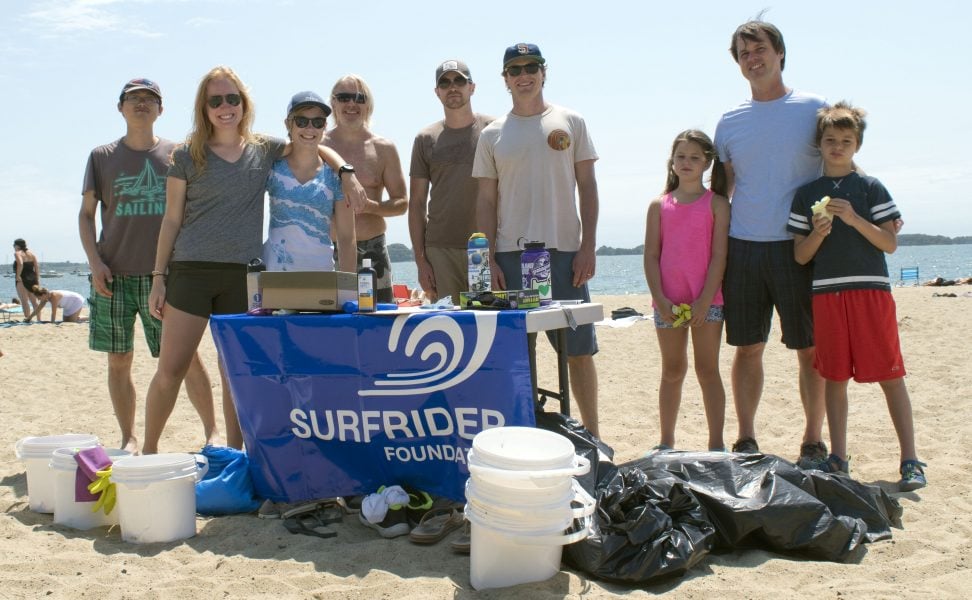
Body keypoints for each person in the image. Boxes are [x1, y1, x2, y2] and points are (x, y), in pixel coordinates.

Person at [143, 66, 364, 454]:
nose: (225, 107)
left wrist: (344, 170)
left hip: (244, 278)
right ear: (204, 107)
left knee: (235, 376)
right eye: (216, 100)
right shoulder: (186, 154)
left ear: (244, 105)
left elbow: (310, 144)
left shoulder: (262, 149)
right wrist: (158, 276)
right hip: (191, 272)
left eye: (232, 99)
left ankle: (236, 457)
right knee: (171, 370)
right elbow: (171, 219)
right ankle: (146, 453)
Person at [789, 102, 926, 490]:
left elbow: (889, 243)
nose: (837, 147)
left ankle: (911, 460)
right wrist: (818, 231)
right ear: (820, 145)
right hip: (827, 294)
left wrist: (852, 218)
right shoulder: (807, 194)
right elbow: (800, 256)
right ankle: (838, 457)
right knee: (834, 376)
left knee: (890, 374)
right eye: (830, 140)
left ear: (857, 146)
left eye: (846, 141)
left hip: (871, 291)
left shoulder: (870, 187)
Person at [80, 78, 219, 453]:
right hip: (114, 274)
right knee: (119, 359)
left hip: (169, 276)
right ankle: (128, 437)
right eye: (133, 98)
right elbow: (86, 215)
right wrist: (94, 262)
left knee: (186, 359)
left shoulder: (179, 153)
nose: (141, 104)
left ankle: (212, 433)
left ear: (161, 109)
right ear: (120, 107)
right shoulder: (101, 156)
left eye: (150, 99)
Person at [713, 19, 829, 467]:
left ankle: (813, 440)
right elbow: (721, 192)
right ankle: (745, 438)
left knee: (809, 349)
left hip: (799, 247)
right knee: (747, 347)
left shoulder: (813, 109)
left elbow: (841, 165)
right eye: (743, 53)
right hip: (743, 246)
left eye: (758, 48)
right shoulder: (729, 122)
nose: (752, 58)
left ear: (779, 52)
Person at [473, 43, 601, 437]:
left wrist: (588, 246)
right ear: (505, 79)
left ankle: (594, 436)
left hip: (565, 253)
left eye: (531, 67)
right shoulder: (492, 134)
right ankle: (527, 434)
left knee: (578, 352)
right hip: (512, 255)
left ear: (544, 72)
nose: (523, 74)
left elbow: (588, 187)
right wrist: (488, 259)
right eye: (515, 69)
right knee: (520, 356)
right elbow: (485, 199)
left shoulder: (571, 121)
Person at [643, 130, 729, 452]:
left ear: (707, 162)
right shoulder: (658, 205)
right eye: (681, 156)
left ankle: (716, 443)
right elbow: (651, 255)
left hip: (708, 302)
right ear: (672, 161)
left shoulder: (718, 204)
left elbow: (720, 255)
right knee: (673, 370)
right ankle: (666, 440)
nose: (687, 163)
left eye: (695, 157)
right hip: (667, 303)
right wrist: (661, 299)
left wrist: (705, 300)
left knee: (708, 370)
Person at [409, 60, 494, 303]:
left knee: (492, 325)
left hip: (489, 246)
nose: (452, 87)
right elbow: (416, 203)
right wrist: (421, 261)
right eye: (444, 83)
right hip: (441, 250)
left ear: (472, 87)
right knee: (452, 329)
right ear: (437, 92)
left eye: (459, 81)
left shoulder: (494, 129)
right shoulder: (425, 138)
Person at [324, 74, 408, 302]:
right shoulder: (318, 146)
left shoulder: (383, 148)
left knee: (379, 325)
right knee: (327, 323)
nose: (351, 104)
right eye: (344, 97)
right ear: (333, 103)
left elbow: (401, 203)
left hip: (374, 250)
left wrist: (370, 207)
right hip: (327, 251)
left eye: (359, 98)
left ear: (368, 104)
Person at [264, 91, 356, 272]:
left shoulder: (336, 177)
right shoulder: (271, 168)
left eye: (318, 122)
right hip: (273, 274)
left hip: (321, 275)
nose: (310, 128)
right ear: (288, 124)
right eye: (301, 121)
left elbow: (347, 237)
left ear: (324, 127)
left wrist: (349, 289)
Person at [13, 238, 41, 321]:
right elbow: (36, 267)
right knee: (34, 302)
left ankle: (27, 319)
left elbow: (20, 264)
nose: (13, 247)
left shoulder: (17, 253)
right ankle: (39, 319)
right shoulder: (32, 254)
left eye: (14, 245)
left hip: (23, 278)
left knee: (24, 301)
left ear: (17, 245)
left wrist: (18, 276)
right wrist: (37, 279)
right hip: (33, 278)